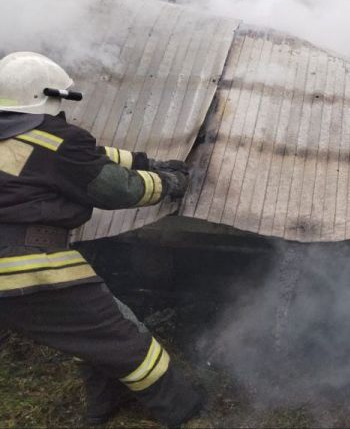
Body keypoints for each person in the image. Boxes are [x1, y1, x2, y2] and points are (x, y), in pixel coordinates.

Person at [0, 52, 201, 426]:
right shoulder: (54, 141)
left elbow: (88, 157)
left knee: (86, 333)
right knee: (126, 341)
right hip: (30, 267)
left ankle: (103, 404)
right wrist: (168, 182)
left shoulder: (21, 141)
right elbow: (116, 189)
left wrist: (143, 159)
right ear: (45, 97)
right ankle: (182, 408)